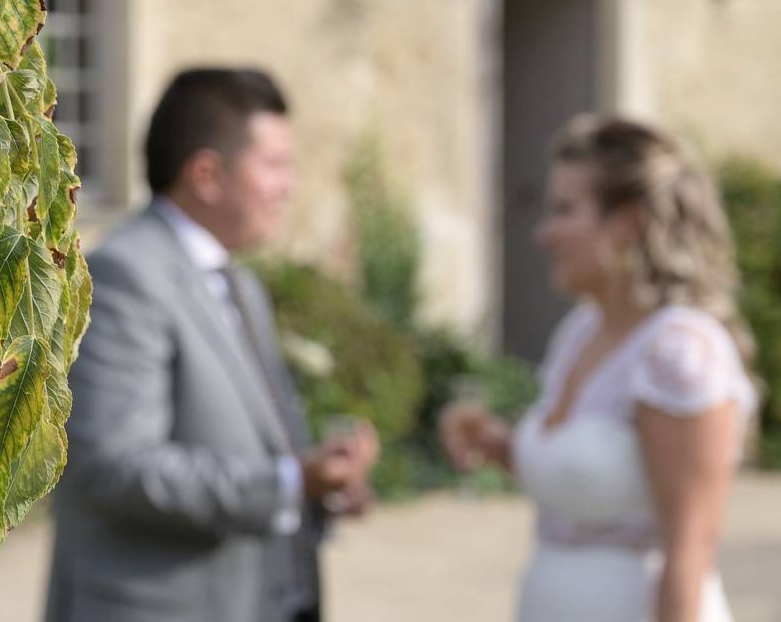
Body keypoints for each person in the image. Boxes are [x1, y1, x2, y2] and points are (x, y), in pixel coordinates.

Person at [45, 67, 378, 622]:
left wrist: (320, 487)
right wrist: (291, 481)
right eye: (274, 165)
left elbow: (249, 452)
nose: (289, 186)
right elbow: (117, 467)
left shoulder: (239, 281)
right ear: (206, 174)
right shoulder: (125, 275)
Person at [440, 114, 757, 622]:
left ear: (628, 221)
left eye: (564, 210)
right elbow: (589, 480)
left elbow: (690, 548)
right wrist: (498, 444)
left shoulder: (681, 352)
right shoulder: (581, 333)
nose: (544, 234)